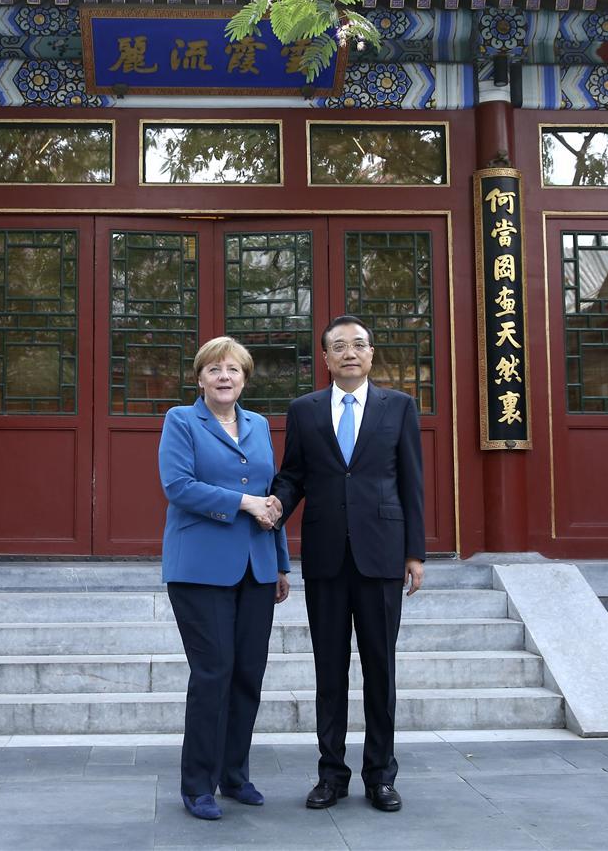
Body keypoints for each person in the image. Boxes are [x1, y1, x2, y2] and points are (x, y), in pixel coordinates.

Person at [271, 314, 425, 813]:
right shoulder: (304, 410)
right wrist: (273, 507)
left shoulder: (399, 407)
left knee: (381, 670)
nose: (349, 353)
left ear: (372, 353)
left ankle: (381, 775)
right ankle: (331, 775)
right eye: (339, 346)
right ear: (325, 358)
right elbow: (293, 473)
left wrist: (415, 552)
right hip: (326, 558)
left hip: (382, 555)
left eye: (358, 344)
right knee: (329, 672)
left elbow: (411, 483)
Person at [158, 336, 289, 821]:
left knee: (247, 675)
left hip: (256, 567)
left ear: (245, 378)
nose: (224, 377)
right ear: (200, 378)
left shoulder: (257, 425)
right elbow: (179, 486)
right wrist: (243, 503)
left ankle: (235, 775)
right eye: (214, 369)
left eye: (233, 369)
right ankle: (198, 785)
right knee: (212, 673)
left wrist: (279, 563)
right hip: (199, 568)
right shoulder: (180, 421)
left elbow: (269, 497)